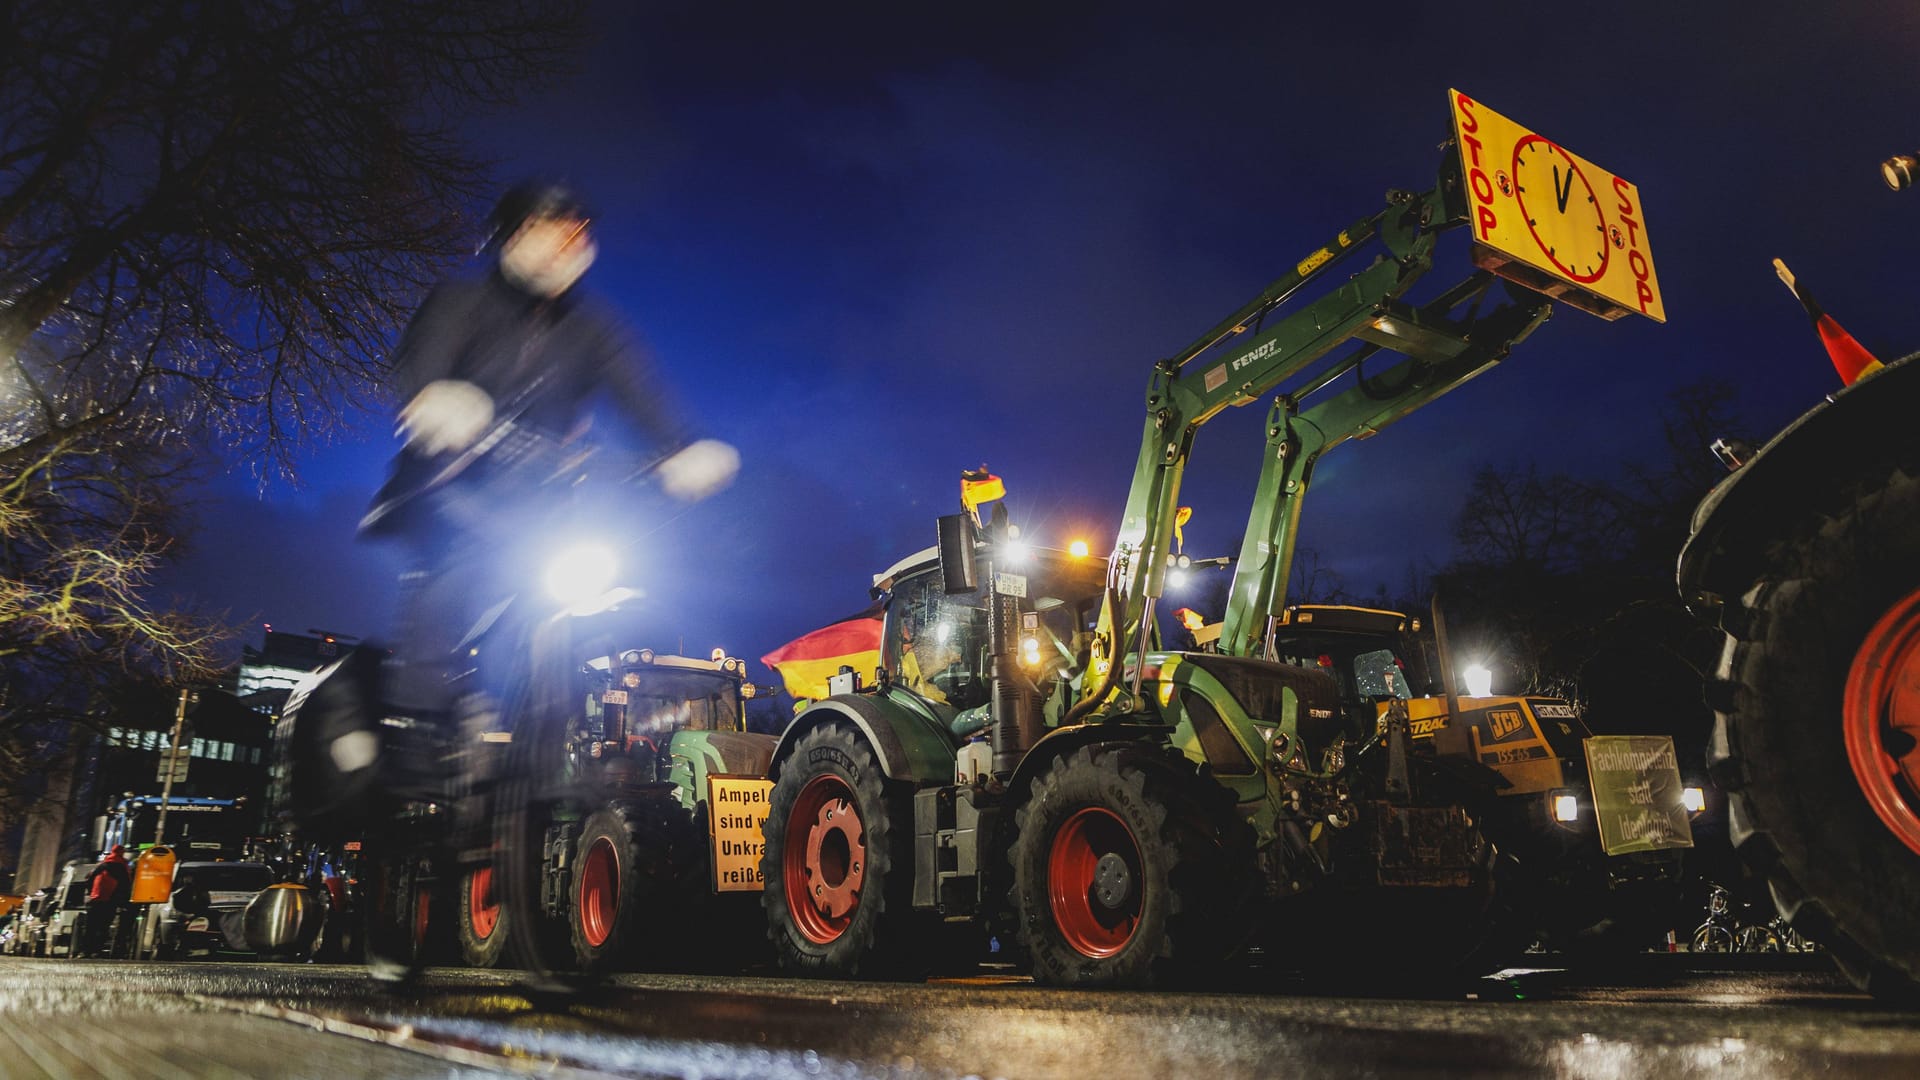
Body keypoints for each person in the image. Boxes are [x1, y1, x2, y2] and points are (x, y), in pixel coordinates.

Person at [363, 180, 739, 723]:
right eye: (550, 227)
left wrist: (679, 448)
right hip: (452, 484)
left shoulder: (592, 330)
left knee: (572, 603)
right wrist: (434, 395)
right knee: (456, 565)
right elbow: (424, 358)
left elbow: (639, 392)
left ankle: (551, 738)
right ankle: (412, 718)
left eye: (577, 231)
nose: (567, 240)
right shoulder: (463, 303)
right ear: (516, 236)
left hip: (539, 500)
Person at [83, 845, 132, 958]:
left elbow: (90, 880)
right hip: (110, 902)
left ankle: (87, 950)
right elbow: (125, 886)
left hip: (96, 900)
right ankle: (97, 950)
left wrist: (91, 894)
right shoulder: (123, 867)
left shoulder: (103, 865)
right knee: (104, 926)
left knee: (91, 926)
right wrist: (123, 902)